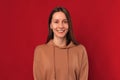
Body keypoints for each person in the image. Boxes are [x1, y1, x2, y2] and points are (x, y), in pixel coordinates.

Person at [33, 6, 89, 80]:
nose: (61, 26)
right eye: (56, 22)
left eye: (65, 22)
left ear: (69, 25)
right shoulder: (40, 51)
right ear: (51, 25)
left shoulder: (80, 50)